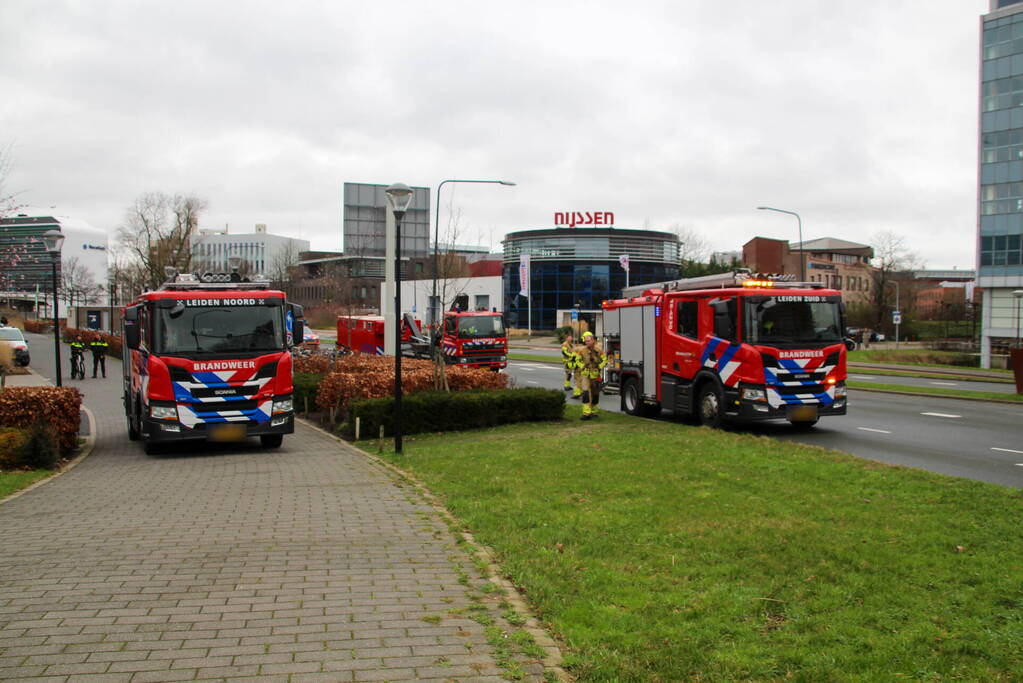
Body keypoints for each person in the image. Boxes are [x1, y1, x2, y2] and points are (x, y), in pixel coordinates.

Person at [573, 331, 607, 420]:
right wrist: (582, 366)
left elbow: (605, 360)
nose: (587, 342)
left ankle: (594, 411)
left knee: (595, 394)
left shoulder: (599, 350)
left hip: (595, 375)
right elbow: (577, 360)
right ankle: (586, 413)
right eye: (586, 341)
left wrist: (599, 366)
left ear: (593, 341)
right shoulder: (582, 350)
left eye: (589, 341)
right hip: (585, 375)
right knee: (585, 393)